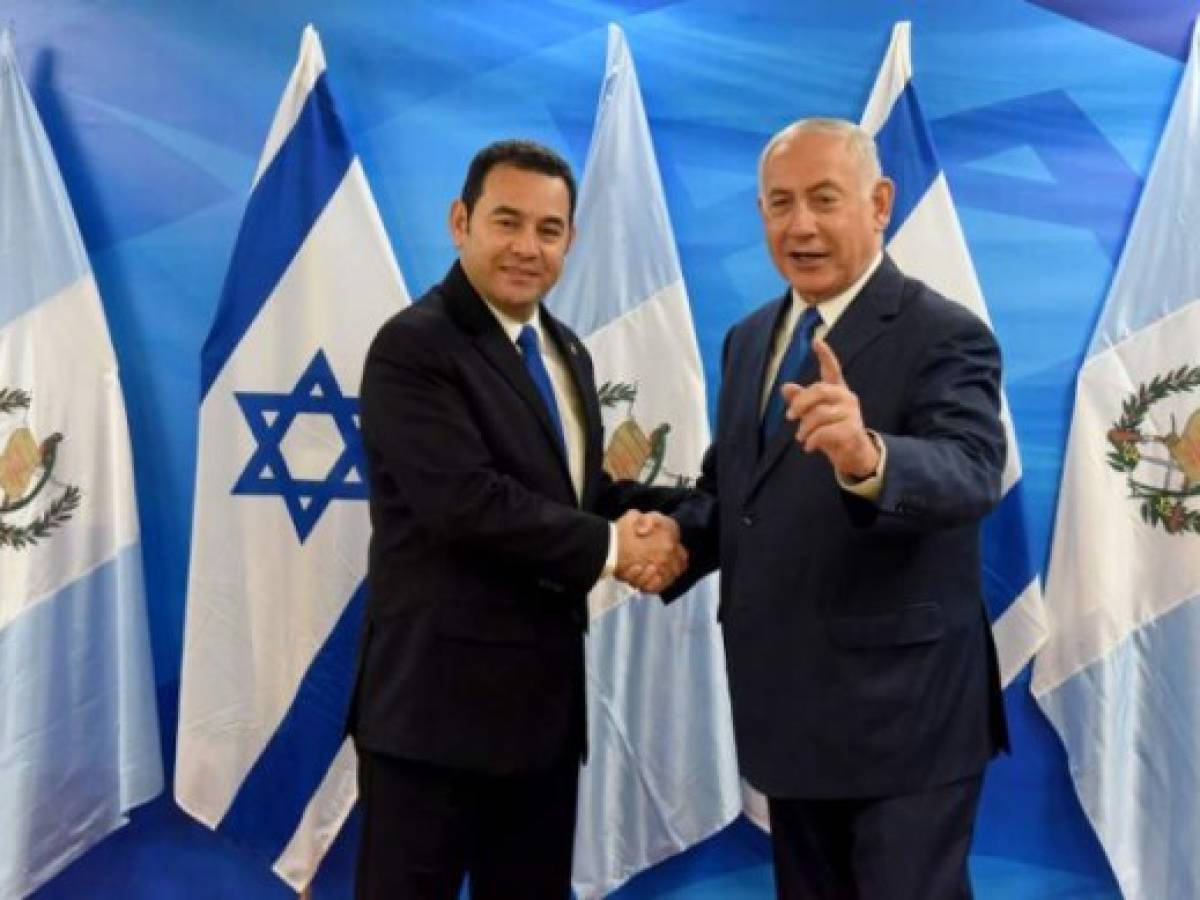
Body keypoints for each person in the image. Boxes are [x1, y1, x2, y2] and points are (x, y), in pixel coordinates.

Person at [664, 118, 1010, 899]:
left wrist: (870, 457)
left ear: (880, 201)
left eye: (825, 199)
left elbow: (971, 471)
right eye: (780, 203)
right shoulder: (749, 340)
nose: (801, 225)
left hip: (905, 723)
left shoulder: (945, 333)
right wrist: (671, 537)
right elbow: (736, 496)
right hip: (789, 711)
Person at [349, 139, 687, 900]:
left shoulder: (564, 349)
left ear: (569, 239)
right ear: (460, 221)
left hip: (540, 721)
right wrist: (614, 546)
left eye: (549, 229)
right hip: (431, 724)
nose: (527, 247)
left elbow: (577, 494)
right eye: (507, 222)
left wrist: (700, 524)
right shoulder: (413, 346)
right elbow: (465, 503)